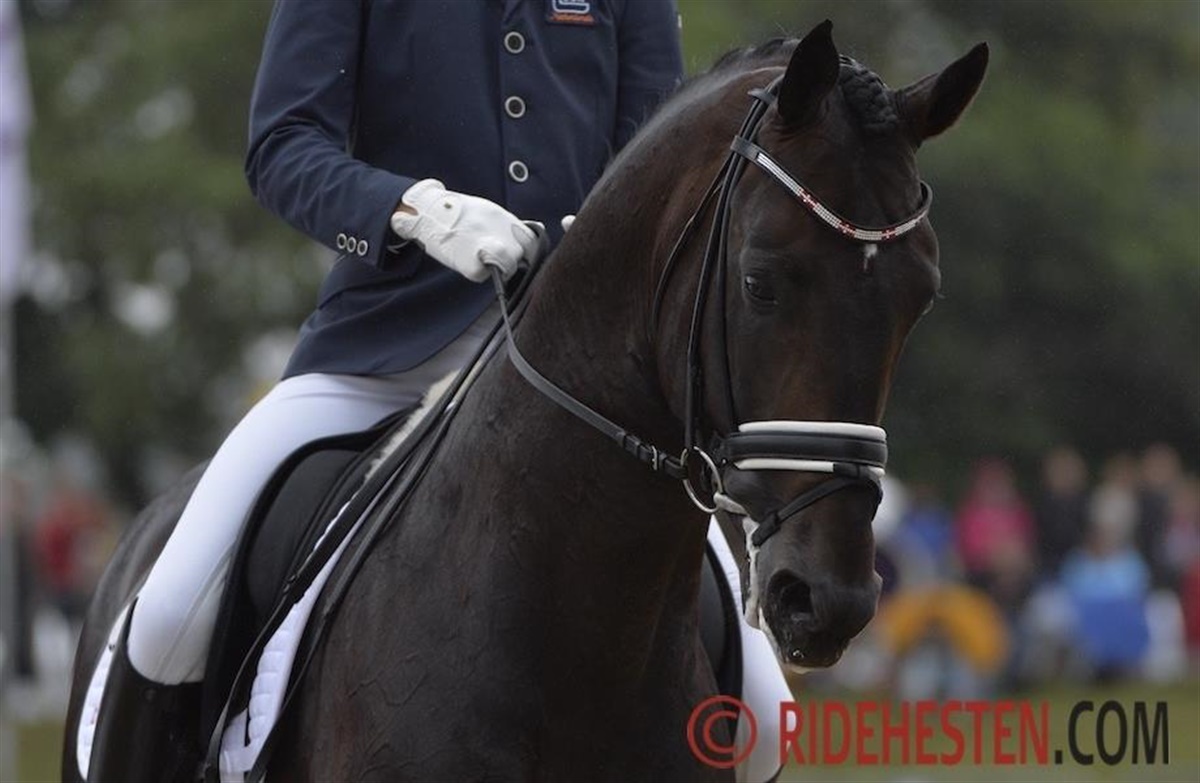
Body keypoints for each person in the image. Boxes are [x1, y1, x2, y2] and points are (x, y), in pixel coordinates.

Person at [83, 2, 685, 780]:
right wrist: (414, 211)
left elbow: (658, 153)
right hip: (385, 355)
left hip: (583, 381)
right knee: (169, 614)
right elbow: (283, 145)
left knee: (764, 716)